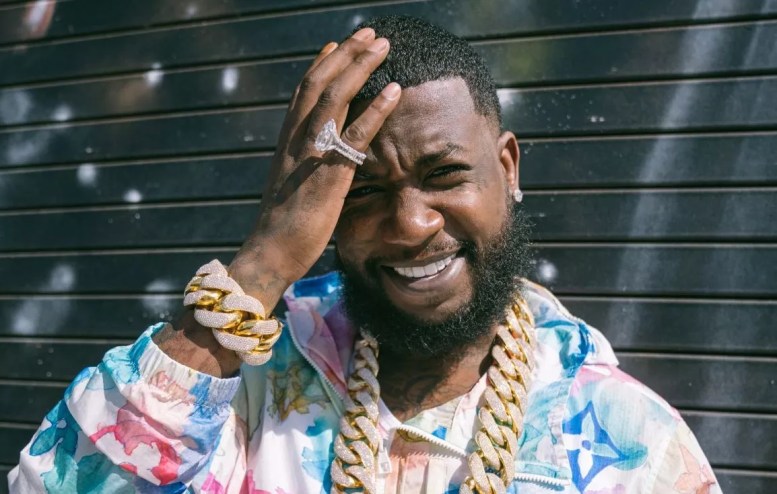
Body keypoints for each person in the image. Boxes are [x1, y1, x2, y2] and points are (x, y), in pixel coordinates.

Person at [9, 16, 721, 494]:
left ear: (507, 168)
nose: (410, 225)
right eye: (364, 191)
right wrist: (264, 261)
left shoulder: (627, 440)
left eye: (445, 175)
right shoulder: (241, 391)